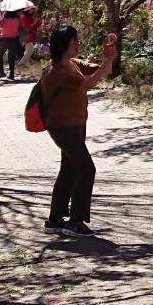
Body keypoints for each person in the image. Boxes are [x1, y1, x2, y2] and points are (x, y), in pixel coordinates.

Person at [39, 25, 118, 237]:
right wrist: (106, 62)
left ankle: (55, 219)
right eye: (75, 41)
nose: (78, 44)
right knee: (86, 169)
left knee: (69, 169)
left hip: (75, 125)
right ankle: (75, 221)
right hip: (62, 128)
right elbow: (88, 83)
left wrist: (108, 57)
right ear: (64, 44)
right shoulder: (55, 71)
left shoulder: (73, 64)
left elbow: (104, 72)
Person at [0, 0, 33, 80]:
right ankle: (11, 74)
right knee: (11, 57)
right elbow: (22, 28)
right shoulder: (18, 19)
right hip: (14, 39)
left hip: (4, 39)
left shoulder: (3, 18)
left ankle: (1, 72)